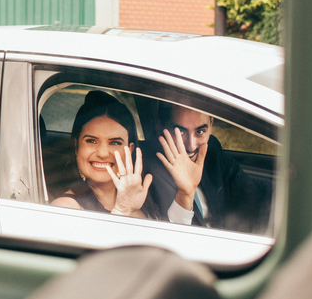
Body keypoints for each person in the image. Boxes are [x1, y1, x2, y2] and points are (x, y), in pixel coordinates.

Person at [145, 102, 266, 233]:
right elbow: (165, 237)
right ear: (159, 126)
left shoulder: (212, 149)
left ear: (211, 125)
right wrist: (186, 194)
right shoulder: (146, 174)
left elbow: (250, 198)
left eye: (200, 131)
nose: (191, 146)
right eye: (180, 131)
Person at [51, 90, 154, 219]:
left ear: (130, 150)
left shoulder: (139, 203)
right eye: (92, 141)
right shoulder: (64, 208)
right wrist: (121, 212)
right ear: (76, 146)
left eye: (115, 143)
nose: (103, 153)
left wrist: (185, 194)